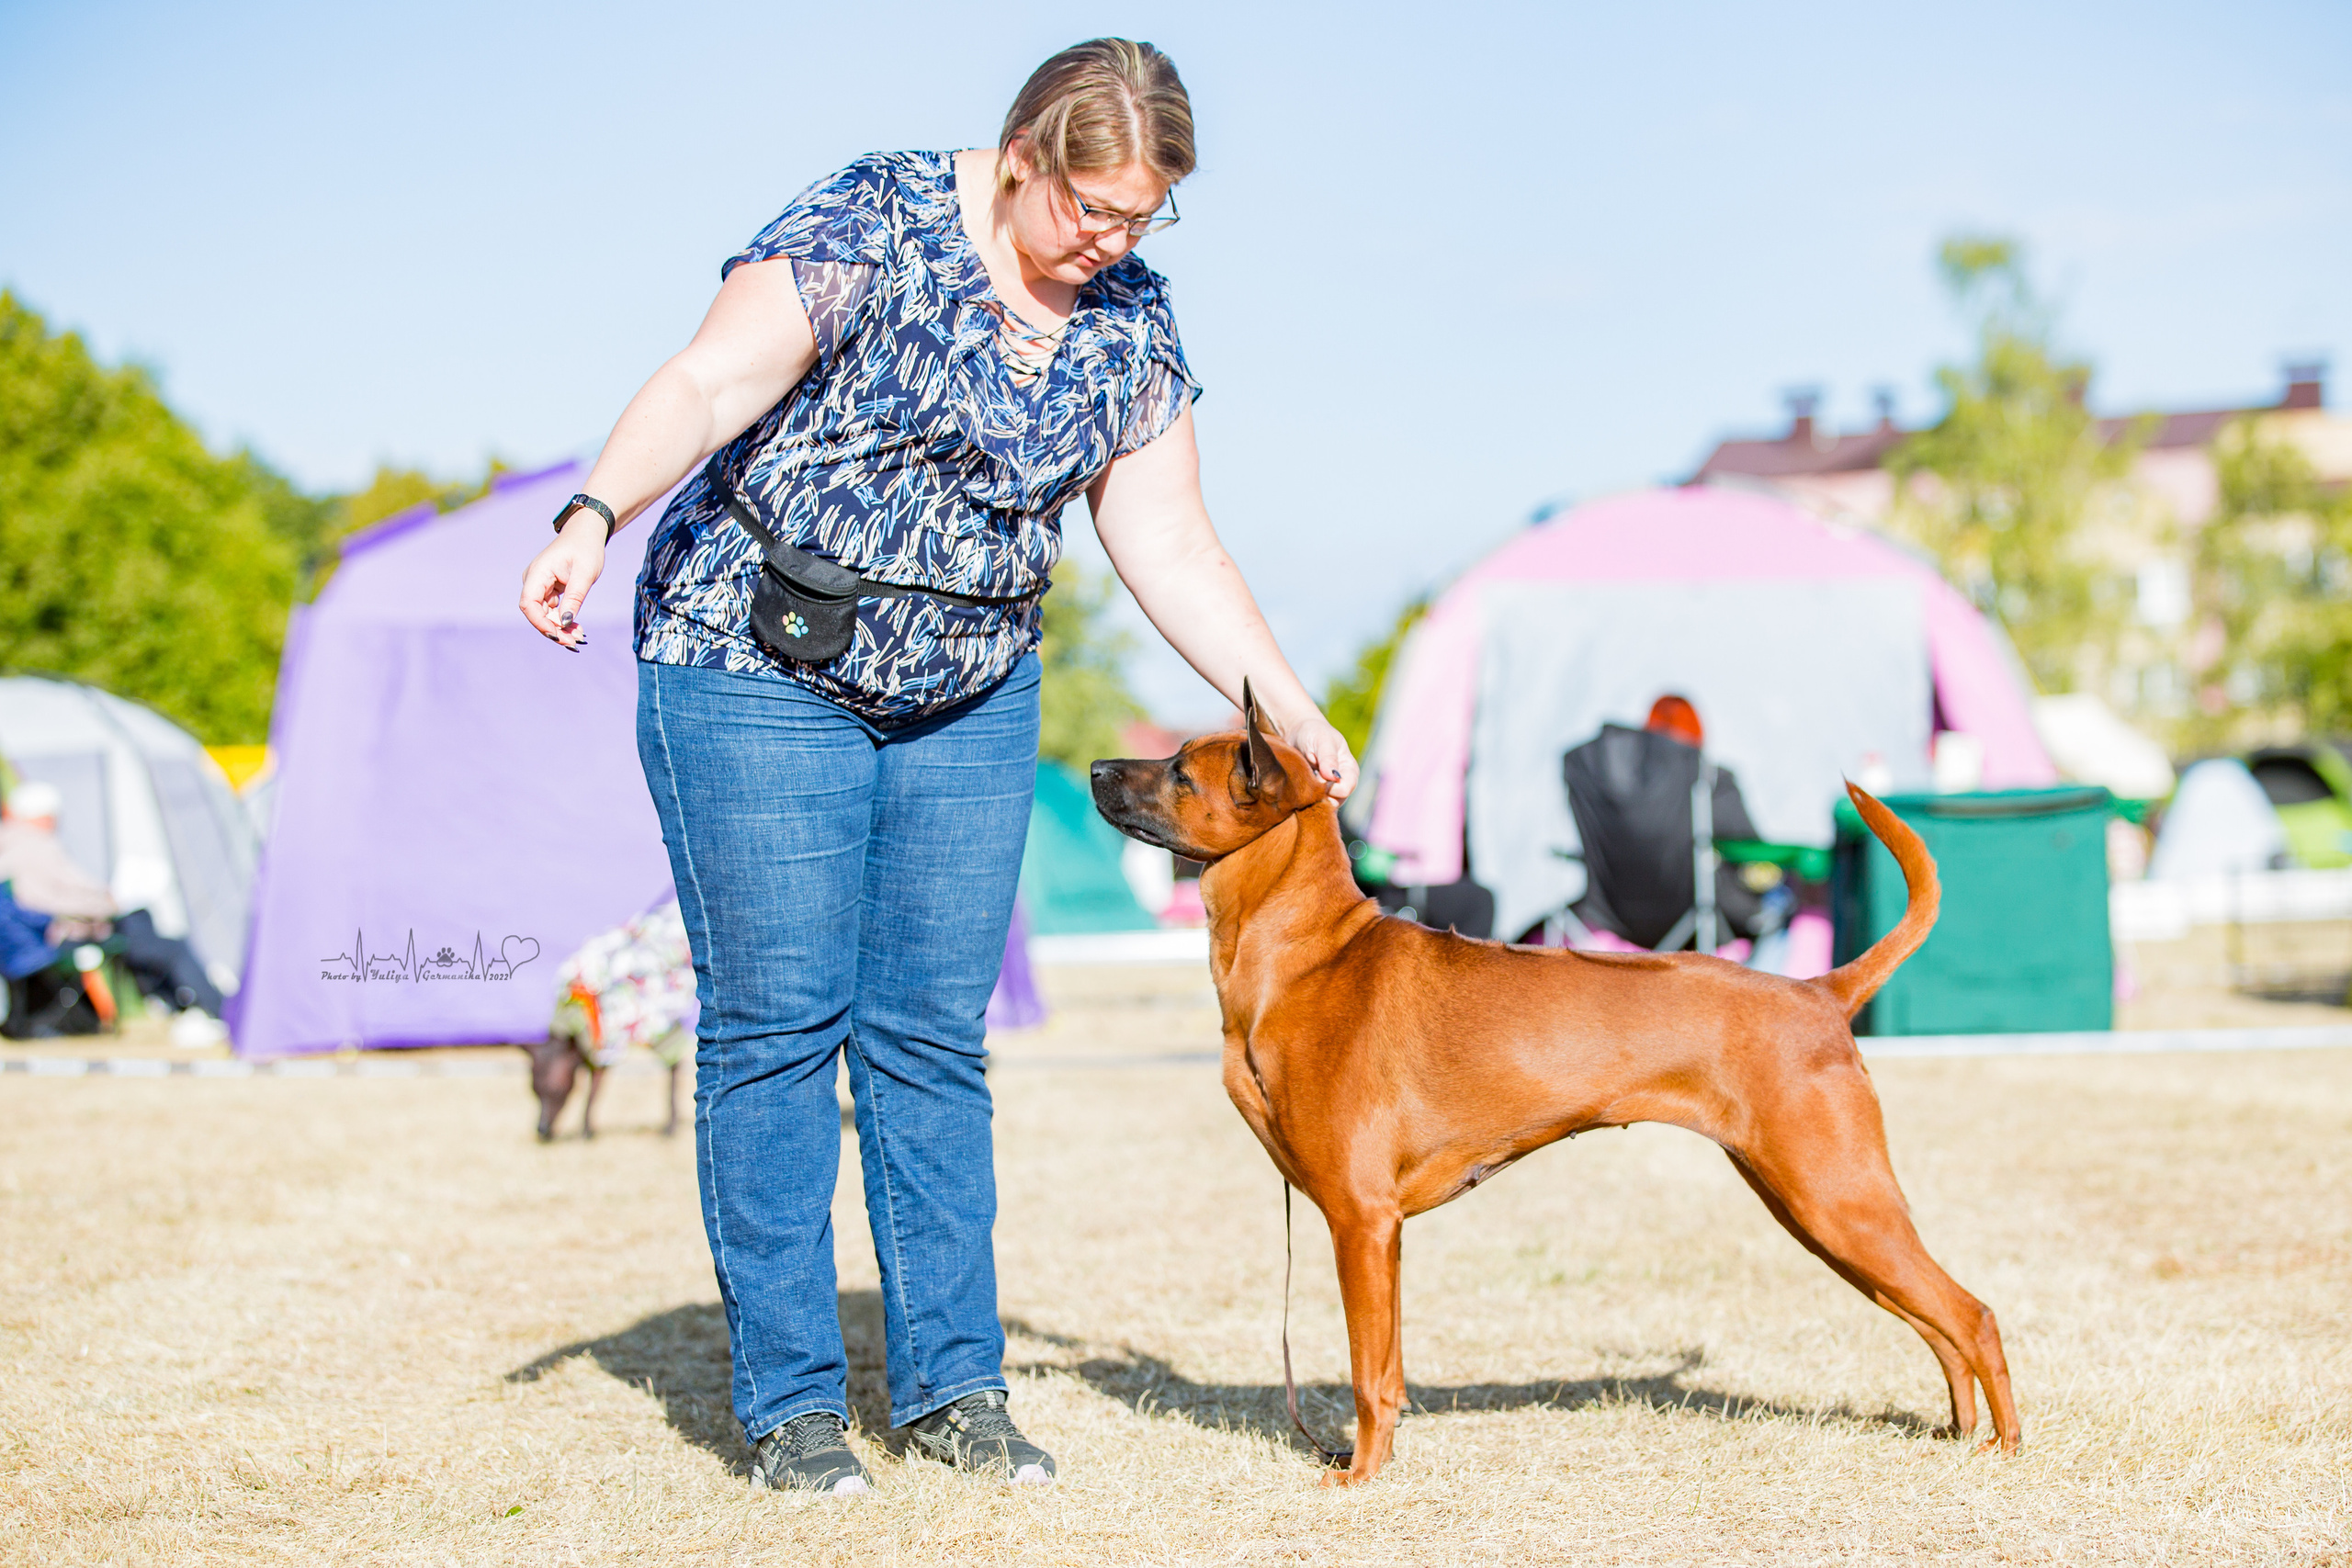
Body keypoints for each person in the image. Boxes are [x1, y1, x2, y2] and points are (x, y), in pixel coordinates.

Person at [517, 39, 1356, 1495]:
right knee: (779, 1024)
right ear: (1023, 154)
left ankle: (956, 1390)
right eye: (1090, 208)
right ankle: (790, 1404)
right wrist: (593, 515)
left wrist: (1288, 706)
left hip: (968, 686)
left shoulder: (1129, 322)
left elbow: (1167, 541)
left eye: (1142, 216)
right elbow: (709, 382)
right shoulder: (874, 219)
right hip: (755, 657)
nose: (1111, 242)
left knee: (929, 1037)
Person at [0, 779, 229, 1041]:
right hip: (58, 936)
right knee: (164, 942)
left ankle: (174, 1004)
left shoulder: (14, 843)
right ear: (42, 816)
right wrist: (105, 903)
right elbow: (39, 902)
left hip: (46, 936)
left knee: (141, 929)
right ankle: (214, 1009)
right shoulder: (34, 847)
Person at [1559, 694, 1774, 951]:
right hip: (1693, 923)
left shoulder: (1591, 769)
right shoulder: (1709, 781)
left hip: (1610, 919)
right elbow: (1754, 853)